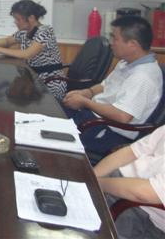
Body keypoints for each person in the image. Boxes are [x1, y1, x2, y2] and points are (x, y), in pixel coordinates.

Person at [63, 16, 162, 158]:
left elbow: (122, 116)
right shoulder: (126, 62)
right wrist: (87, 92)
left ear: (132, 44)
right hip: (92, 116)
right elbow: (105, 86)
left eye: (115, 39)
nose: (111, 43)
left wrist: (85, 102)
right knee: (49, 116)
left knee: (52, 137)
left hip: (107, 130)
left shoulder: (144, 77)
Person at [0, 0, 67, 99]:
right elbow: (7, 41)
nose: (15, 22)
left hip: (50, 83)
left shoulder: (45, 31)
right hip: (32, 78)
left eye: (18, 19)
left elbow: (27, 54)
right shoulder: (24, 31)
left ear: (31, 18)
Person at [94, 124, 165, 239]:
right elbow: (132, 152)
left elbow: (145, 193)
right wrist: (92, 177)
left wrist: (96, 184)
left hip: (139, 213)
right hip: (115, 185)